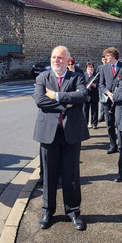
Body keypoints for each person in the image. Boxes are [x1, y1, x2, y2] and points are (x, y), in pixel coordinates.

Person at [33, 46, 89, 231]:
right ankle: (47, 211)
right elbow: (40, 101)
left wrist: (57, 96)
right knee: (48, 174)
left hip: (71, 133)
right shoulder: (43, 78)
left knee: (71, 174)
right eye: (53, 57)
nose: (56, 60)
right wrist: (67, 104)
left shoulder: (77, 77)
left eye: (60, 58)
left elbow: (83, 96)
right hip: (49, 133)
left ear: (67, 60)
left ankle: (73, 211)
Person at [99, 47, 122, 154]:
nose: (106, 57)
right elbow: (101, 84)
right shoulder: (103, 68)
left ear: (114, 56)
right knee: (109, 123)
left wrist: (118, 94)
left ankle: (121, 145)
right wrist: (108, 93)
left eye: (108, 55)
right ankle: (112, 145)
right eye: (105, 56)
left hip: (119, 100)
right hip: (107, 100)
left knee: (120, 123)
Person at [84, 62, 99, 129]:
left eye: (91, 67)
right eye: (89, 67)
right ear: (86, 68)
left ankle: (94, 124)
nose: (90, 68)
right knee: (85, 110)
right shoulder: (83, 75)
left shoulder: (97, 75)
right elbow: (81, 84)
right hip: (86, 95)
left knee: (94, 110)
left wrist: (94, 85)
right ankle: (85, 124)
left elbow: (100, 84)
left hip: (94, 95)